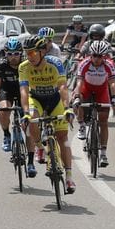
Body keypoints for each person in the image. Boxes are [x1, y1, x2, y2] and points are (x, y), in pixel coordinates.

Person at [19, 35, 76, 193]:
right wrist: (25, 113)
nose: (29, 57)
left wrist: (67, 108)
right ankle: (39, 147)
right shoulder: (24, 67)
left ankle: (69, 177)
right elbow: (24, 92)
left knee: (63, 138)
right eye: (26, 53)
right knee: (32, 119)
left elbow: (63, 87)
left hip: (54, 100)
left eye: (32, 53)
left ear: (42, 52)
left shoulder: (55, 63)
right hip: (35, 99)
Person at [71, 40, 115, 168]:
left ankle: (103, 153)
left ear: (105, 56)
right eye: (94, 55)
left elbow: (112, 83)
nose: (97, 59)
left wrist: (114, 98)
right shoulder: (84, 63)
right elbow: (79, 83)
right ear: (90, 54)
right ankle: (81, 125)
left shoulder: (109, 64)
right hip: (86, 88)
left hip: (101, 91)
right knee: (79, 100)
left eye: (100, 56)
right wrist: (76, 98)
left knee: (103, 122)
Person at [0, 38, 24, 152]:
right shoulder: (1, 63)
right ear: (5, 54)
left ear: (21, 53)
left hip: (23, 91)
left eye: (16, 54)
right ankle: (6, 135)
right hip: (6, 89)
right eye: (9, 54)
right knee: (3, 109)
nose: (13, 57)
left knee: (28, 117)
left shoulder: (26, 63)